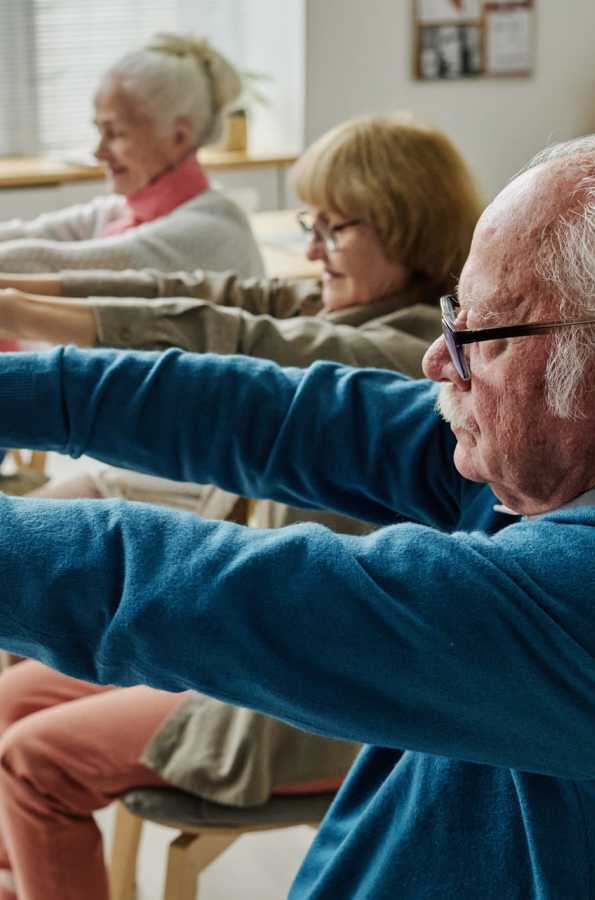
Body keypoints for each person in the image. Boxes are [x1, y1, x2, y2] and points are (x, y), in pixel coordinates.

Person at [0, 131, 595, 899]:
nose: (438, 359)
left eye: (478, 334)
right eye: (449, 316)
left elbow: (228, 592)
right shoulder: (570, 455)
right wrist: (26, 390)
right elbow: (279, 416)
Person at [0, 115, 481, 900]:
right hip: (257, 645)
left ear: (407, 224)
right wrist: (15, 302)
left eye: (336, 227)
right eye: (310, 225)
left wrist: (26, 328)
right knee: (15, 695)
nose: (314, 247)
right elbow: (201, 293)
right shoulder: (345, 304)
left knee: (34, 762)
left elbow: (238, 337)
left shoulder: (410, 354)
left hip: (314, 693)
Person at [0, 33, 263, 277]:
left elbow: (55, 264)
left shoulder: (209, 231)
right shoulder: (129, 210)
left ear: (179, 135)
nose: (98, 152)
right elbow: (30, 234)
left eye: (115, 133)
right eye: (99, 130)